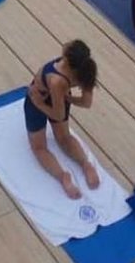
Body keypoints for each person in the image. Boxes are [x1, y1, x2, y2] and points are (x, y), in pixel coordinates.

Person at [24, 39, 100, 200]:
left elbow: (57, 115)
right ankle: (86, 164)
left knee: (39, 148)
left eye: (68, 45)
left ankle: (62, 176)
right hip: (59, 99)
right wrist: (68, 98)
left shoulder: (57, 80)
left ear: (67, 57)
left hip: (38, 101)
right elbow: (86, 103)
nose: (65, 44)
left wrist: (38, 103)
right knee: (65, 138)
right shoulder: (87, 70)